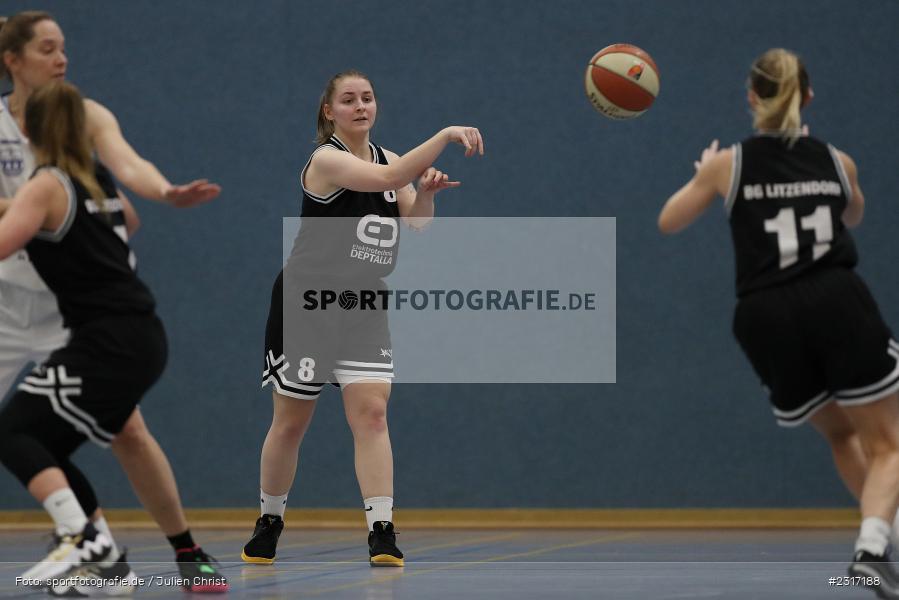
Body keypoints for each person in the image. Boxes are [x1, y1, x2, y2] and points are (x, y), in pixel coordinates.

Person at [658, 48, 899, 596]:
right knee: (888, 443)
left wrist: (704, 175)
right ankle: (872, 547)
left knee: (841, 434)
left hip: (765, 315)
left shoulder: (730, 165)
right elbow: (853, 214)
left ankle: (881, 536)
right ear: (808, 96)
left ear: (751, 97)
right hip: (834, 299)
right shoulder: (839, 161)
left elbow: (669, 221)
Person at [0, 12, 227, 594]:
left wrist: (165, 190)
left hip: (75, 315)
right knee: (26, 435)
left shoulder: (81, 116)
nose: (61, 59)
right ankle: (93, 546)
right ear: (13, 60)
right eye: (47, 49)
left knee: (125, 432)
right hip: (11, 303)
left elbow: (131, 172)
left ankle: (183, 548)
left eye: (64, 48)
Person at [241, 69, 483, 567]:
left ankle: (382, 530)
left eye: (367, 98)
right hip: (307, 303)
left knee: (372, 414)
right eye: (348, 100)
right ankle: (270, 519)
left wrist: (429, 195)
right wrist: (443, 136)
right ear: (329, 111)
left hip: (362, 303)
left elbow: (414, 220)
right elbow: (390, 181)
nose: (360, 106)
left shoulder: (390, 158)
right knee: (290, 424)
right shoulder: (326, 160)